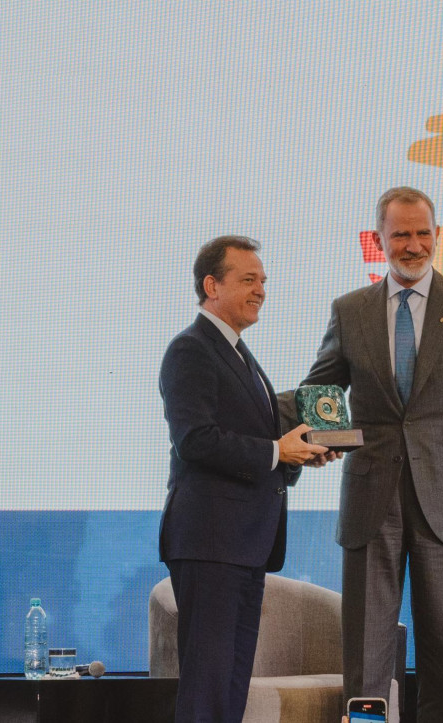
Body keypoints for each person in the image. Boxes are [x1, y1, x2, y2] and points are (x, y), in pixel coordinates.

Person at [291, 187, 443, 722]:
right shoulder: (350, 310)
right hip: (370, 503)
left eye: (423, 233)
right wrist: (268, 414)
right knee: (366, 656)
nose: (413, 244)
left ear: (438, 237)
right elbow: (321, 391)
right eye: (401, 234)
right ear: (379, 239)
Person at [159, 235, 332, 722]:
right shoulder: (190, 350)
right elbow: (196, 440)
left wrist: (295, 456)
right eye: (248, 280)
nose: (261, 291)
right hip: (211, 543)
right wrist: (278, 449)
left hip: (243, 545)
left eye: (264, 281)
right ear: (211, 285)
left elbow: (254, 441)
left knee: (230, 687)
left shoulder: (238, 353)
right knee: (208, 689)